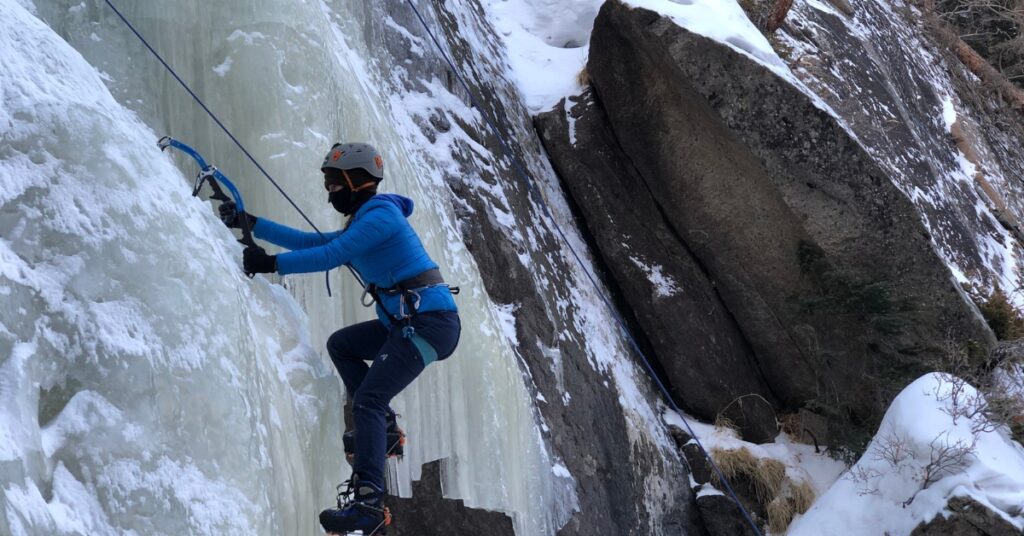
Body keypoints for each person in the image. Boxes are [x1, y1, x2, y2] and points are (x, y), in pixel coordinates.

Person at [219, 142, 460, 534]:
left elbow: (332, 255)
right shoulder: (367, 219)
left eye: (334, 184)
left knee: (368, 397)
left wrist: (271, 264)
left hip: (428, 323)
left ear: (356, 180)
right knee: (342, 345)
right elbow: (317, 244)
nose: (330, 192)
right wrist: (251, 223)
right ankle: (385, 432)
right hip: (409, 321)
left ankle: (368, 502)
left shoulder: (380, 216)